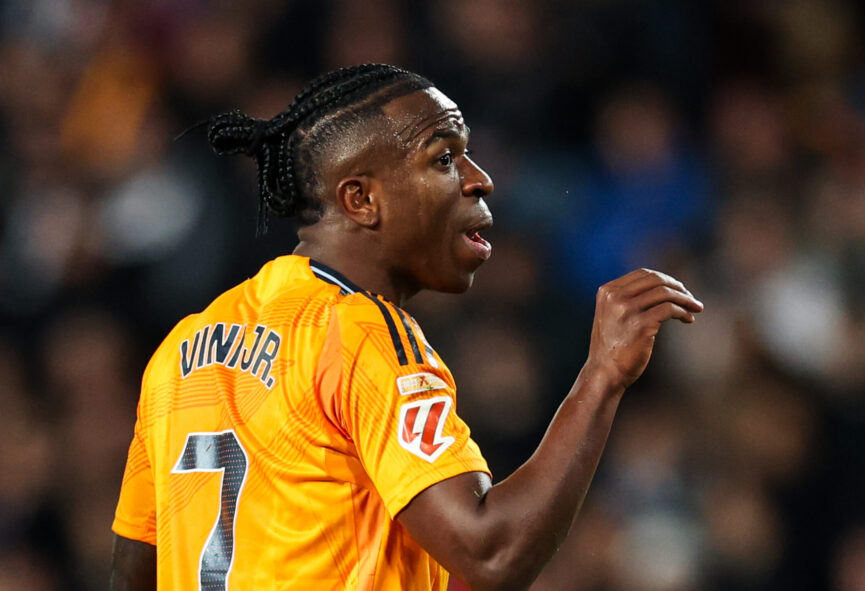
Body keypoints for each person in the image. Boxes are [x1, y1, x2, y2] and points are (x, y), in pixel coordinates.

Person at [109, 64, 703, 591]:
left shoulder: (182, 346)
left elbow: (135, 571)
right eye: (444, 158)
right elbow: (490, 554)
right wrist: (601, 377)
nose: (479, 179)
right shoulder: (360, 332)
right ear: (362, 199)